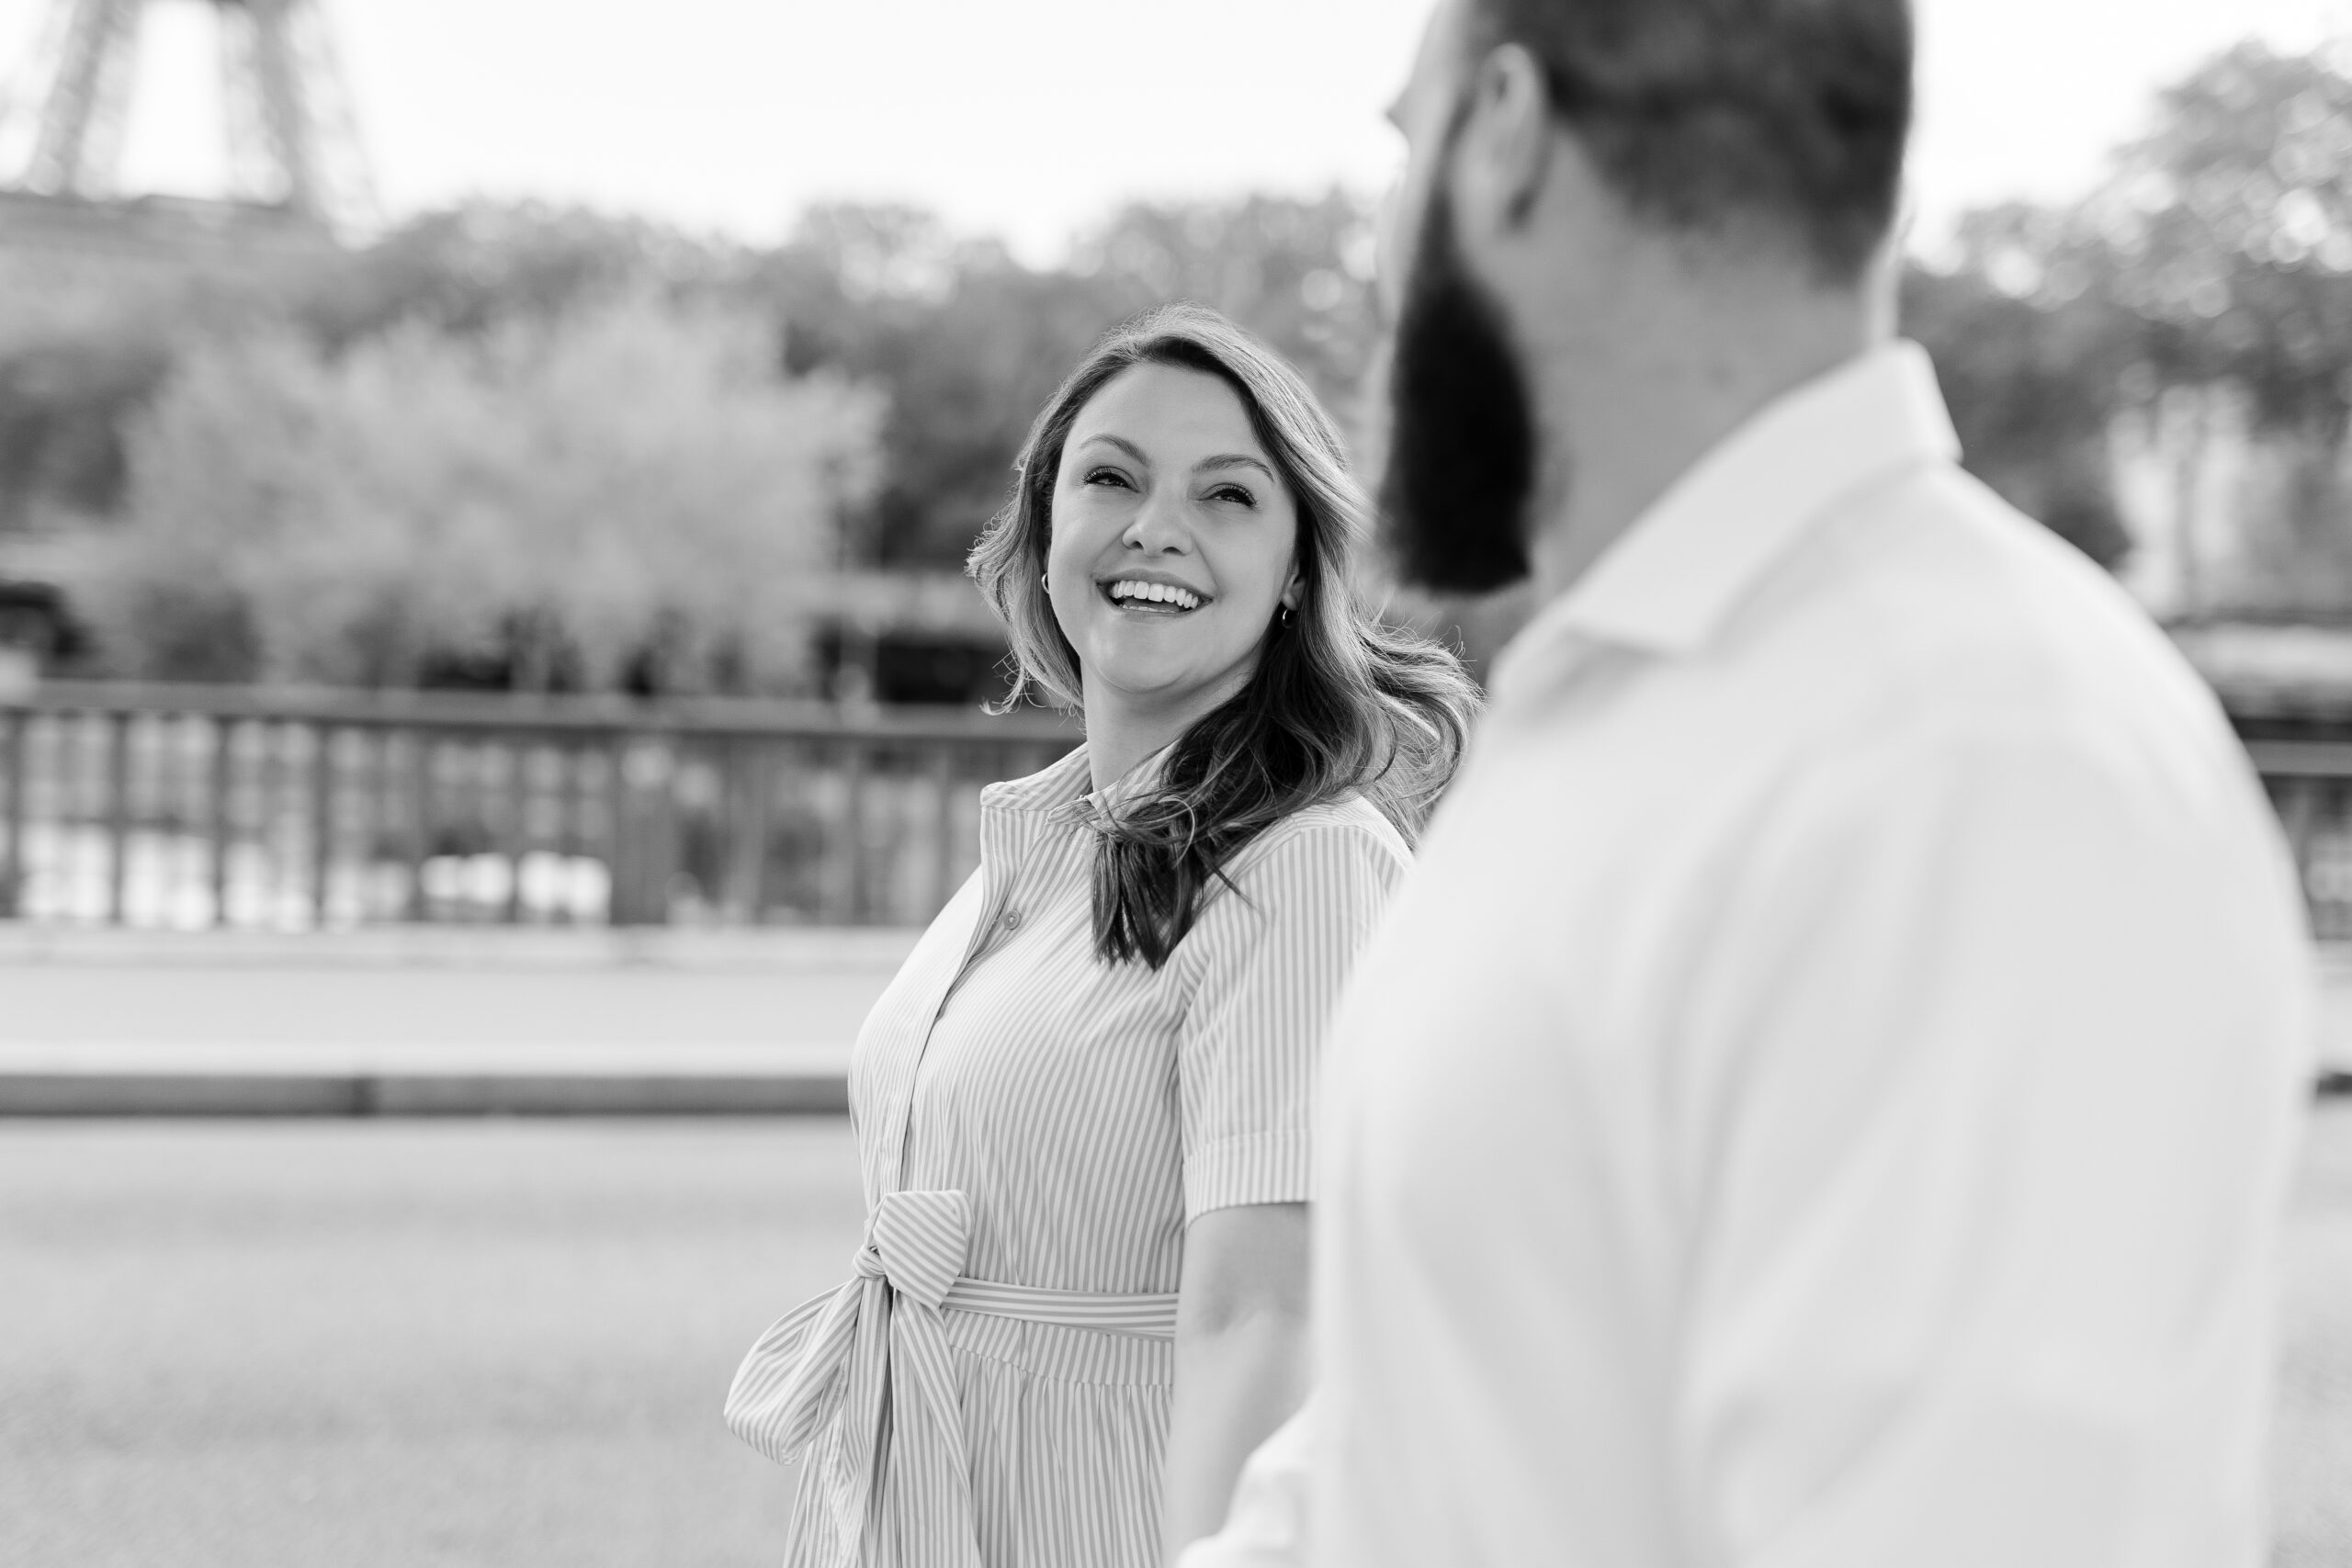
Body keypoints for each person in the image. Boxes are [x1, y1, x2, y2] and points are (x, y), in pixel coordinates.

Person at [1186, 2, 2316, 1565]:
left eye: (1401, 145)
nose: (1380, 258)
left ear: (1503, 129)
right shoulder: (1632, 713)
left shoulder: (1974, 766)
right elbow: (1441, 1449)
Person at [725, 303, 1478, 1568]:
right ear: (1045, 524)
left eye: (1228, 496)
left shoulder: (1303, 866)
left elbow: (1268, 1317)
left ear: (1299, 567)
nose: (1156, 528)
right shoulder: (1045, 844)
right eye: (1111, 477)